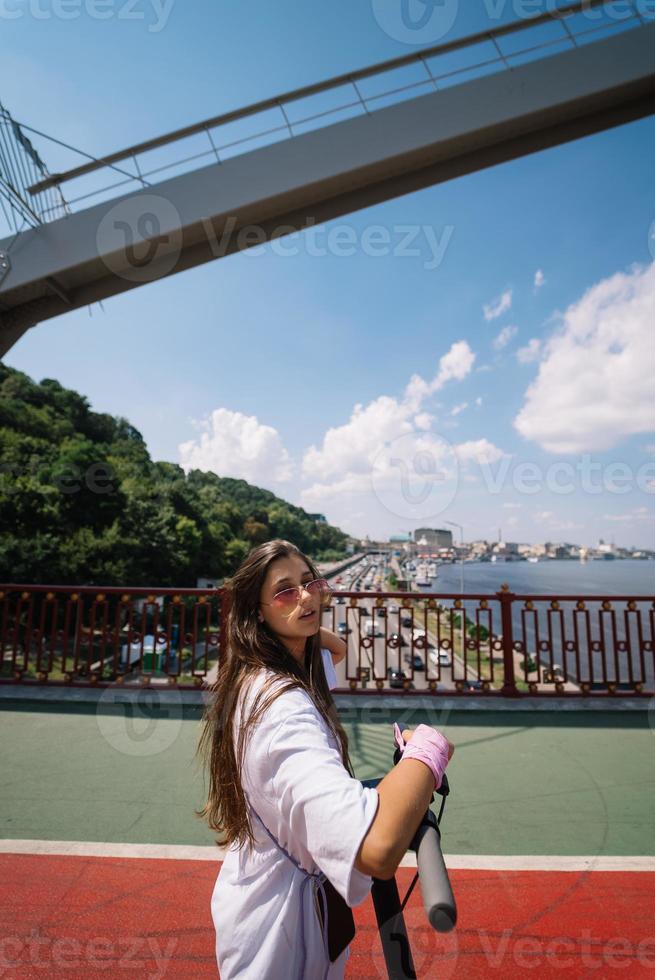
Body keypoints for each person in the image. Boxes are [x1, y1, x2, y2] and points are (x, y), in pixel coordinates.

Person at [196, 539, 454, 979]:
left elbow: (335, 651)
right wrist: (427, 751)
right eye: (284, 591)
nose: (306, 596)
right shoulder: (284, 713)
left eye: (310, 583)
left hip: (266, 896)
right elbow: (375, 851)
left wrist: (300, 622)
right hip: (281, 938)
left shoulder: (264, 671)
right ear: (257, 612)